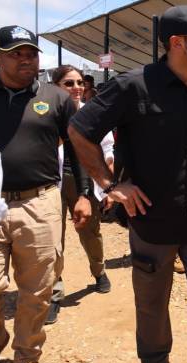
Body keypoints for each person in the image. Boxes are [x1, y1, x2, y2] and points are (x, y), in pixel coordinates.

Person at [67, 6, 187, 363]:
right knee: (151, 308)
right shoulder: (133, 86)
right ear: (178, 43)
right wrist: (109, 183)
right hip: (151, 224)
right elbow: (80, 130)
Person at [0, 25, 91, 363]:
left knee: (37, 289)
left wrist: (84, 194)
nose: (25, 59)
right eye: (16, 53)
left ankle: (27, 360)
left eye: (30, 52)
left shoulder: (57, 98)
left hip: (41, 202)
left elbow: (80, 145)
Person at [46, 65, 114, 326]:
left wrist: (107, 185)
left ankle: (99, 271)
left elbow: (108, 147)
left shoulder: (93, 114)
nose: (76, 88)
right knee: (52, 237)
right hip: (51, 181)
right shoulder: (45, 114)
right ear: (56, 87)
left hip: (83, 181)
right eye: (68, 83)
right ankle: (54, 292)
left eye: (79, 83)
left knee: (90, 231)